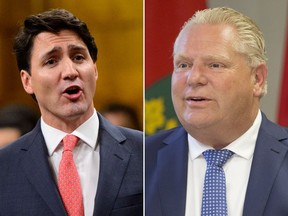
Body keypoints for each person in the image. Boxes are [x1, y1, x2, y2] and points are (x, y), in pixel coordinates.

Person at [145, 7, 288, 216]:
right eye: (183, 64)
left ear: (257, 79)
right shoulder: (141, 160)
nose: (194, 78)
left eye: (214, 65)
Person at [0, 9, 142, 216]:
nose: (70, 72)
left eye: (78, 57)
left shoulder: (147, 153)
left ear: (94, 69)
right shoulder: (4, 168)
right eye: (51, 61)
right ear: (27, 81)